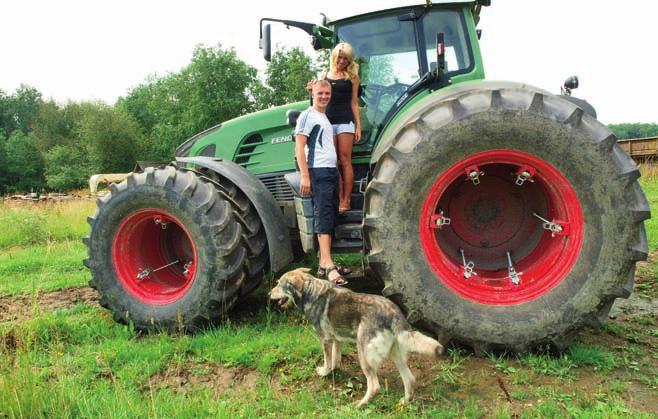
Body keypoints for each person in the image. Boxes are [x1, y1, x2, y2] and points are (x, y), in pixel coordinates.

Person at [295, 79, 347, 285]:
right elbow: (299, 148)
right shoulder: (307, 116)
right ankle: (329, 265)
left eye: (327, 93)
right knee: (323, 214)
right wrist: (305, 176)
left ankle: (323, 264)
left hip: (330, 170)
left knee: (330, 215)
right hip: (317, 171)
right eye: (320, 94)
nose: (324, 96)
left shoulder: (323, 117)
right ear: (313, 95)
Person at [311, 42, 361, 214]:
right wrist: (311, 89)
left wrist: (358, 126)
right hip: (328, 121)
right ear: (334, 57)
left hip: (345, 121)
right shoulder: (324, 75)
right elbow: (318, 99)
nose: (341, 61)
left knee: (345, 160)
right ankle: (338, 199)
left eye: (345, 59)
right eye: (339, 57)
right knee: (333, 161)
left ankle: (346, 200)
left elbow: (354, 103)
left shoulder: (352, 77)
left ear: (349, 60)